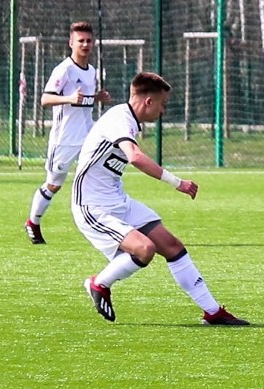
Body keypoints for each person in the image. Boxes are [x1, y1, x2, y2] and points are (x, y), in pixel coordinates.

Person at [72, 72, 249, 326]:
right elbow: (134, 156)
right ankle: (98, 283)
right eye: (163, 104)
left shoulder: (129, 120)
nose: (163, 111)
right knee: (145, 249)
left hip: (117, 200)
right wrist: (178, 183)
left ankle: (213, 312)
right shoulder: (119, 119)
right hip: (92, 207)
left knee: (172, 245)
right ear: (148, 102)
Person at [24, 21, 111, 245]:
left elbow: (86, 102)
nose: (85, 44)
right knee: (54, 184)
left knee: (99, 177)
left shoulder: (91, 71)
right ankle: (33, 222)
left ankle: (105, 226)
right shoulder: (64, 69)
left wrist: (98, 98)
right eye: (80, 40)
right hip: (64, 140)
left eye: (89, 40)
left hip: (88, 136)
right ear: (71, 43)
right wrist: (68, 98)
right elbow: (45, 99)